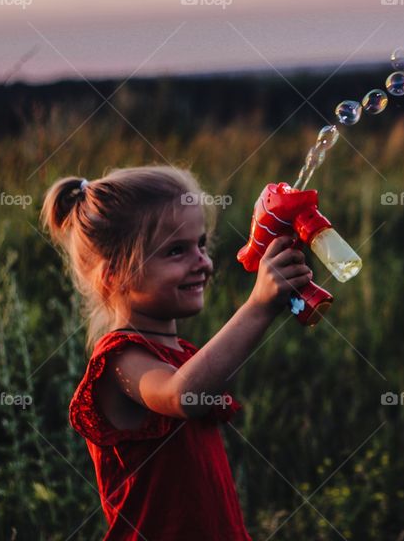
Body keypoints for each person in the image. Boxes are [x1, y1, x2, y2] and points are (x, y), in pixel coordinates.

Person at [41, 165, 312, 540]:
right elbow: (183, 395)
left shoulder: (179, 355)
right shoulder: (120, 359)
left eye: (201, 244)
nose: (201, 262)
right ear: (114, 275)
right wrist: (258, 307)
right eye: (175, 251)